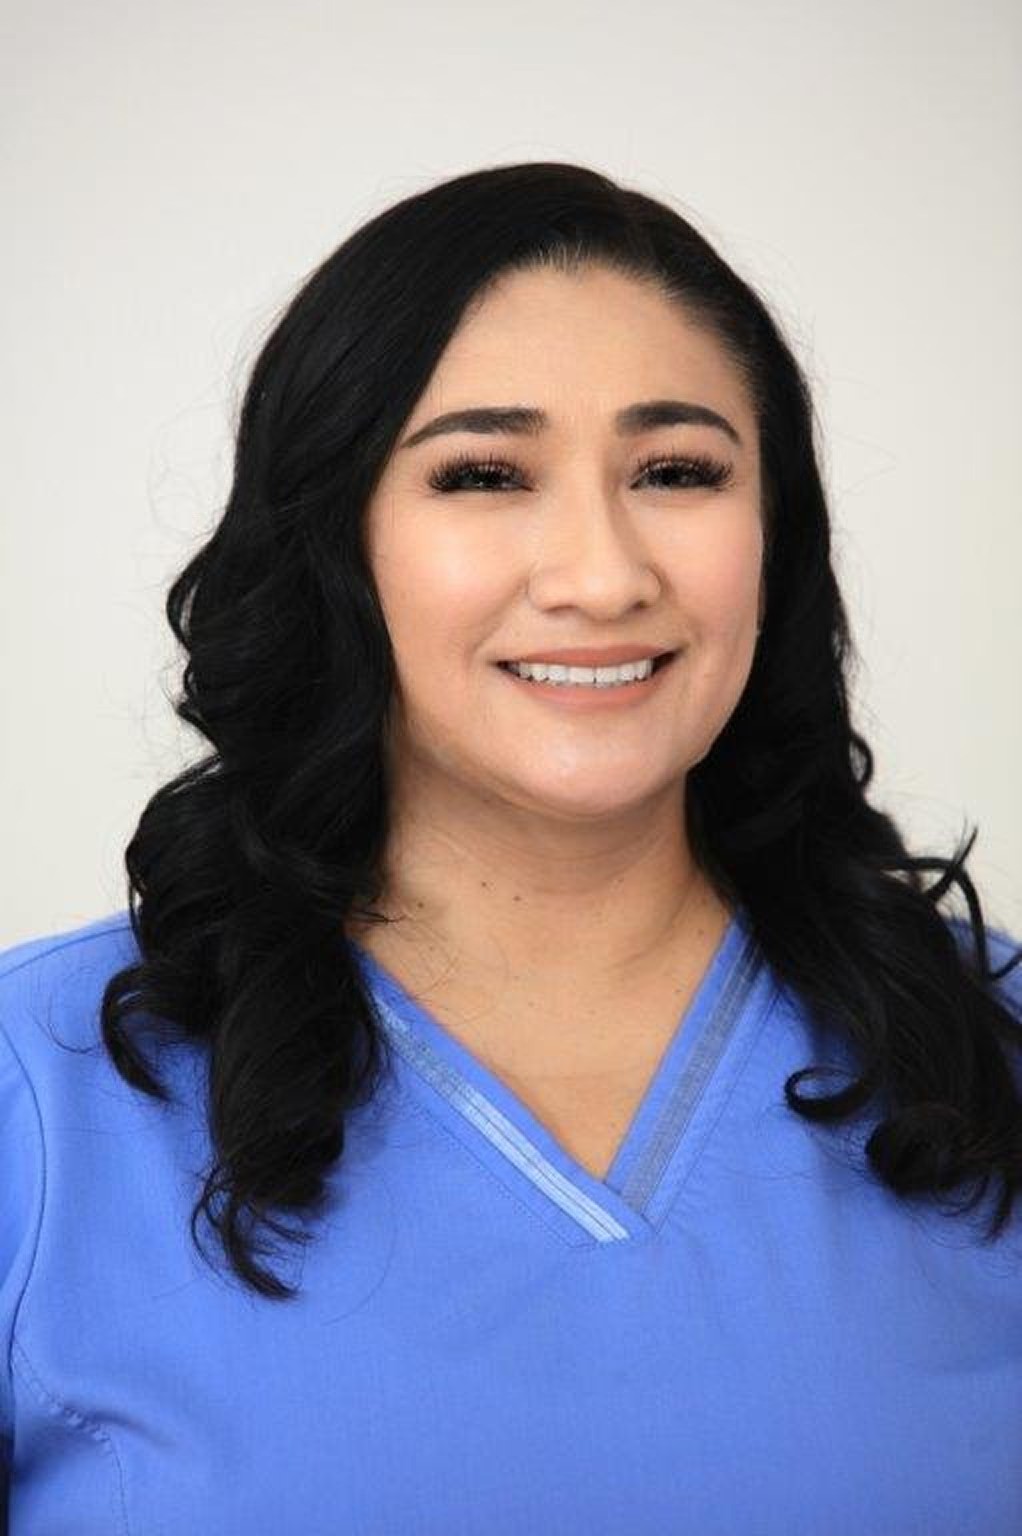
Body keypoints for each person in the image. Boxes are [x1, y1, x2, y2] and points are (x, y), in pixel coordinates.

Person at [2, 161, 1020, 1535]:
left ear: (773, 539)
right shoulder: (38, 1091)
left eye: (677, 472)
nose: (601, 576)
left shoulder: (993, 1043)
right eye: (483, 474)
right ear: (336, 541)